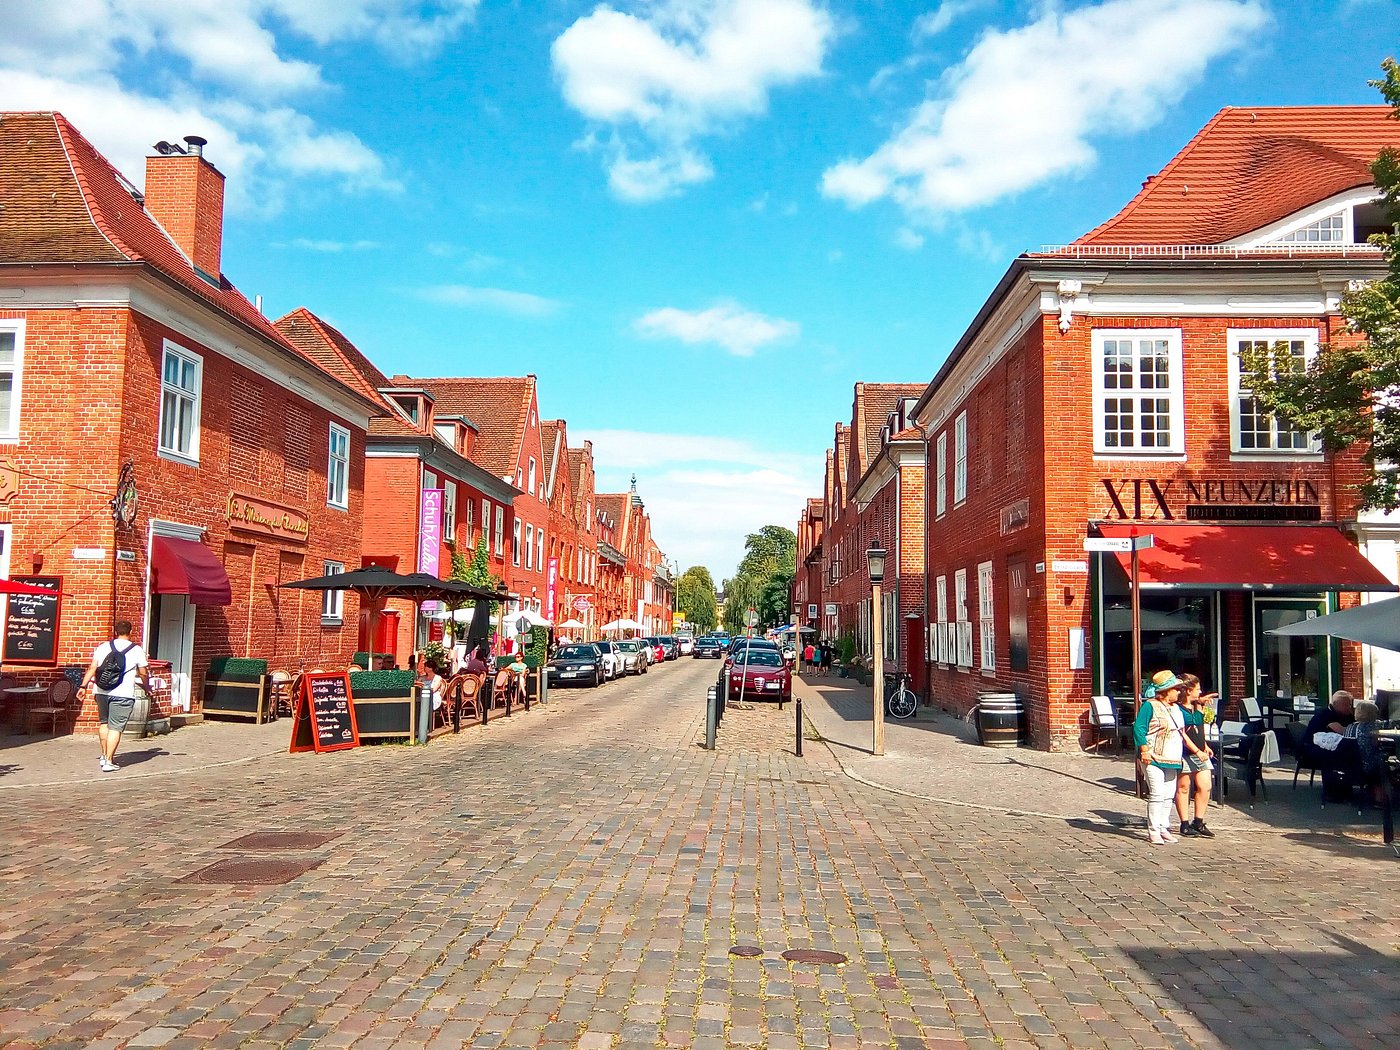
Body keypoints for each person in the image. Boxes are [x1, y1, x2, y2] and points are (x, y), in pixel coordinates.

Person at [79, 621, 151, 773]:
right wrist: (147, 687)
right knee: (116, 728)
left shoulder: (103, 647)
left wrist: (83, 686)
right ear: (130, 631)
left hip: (101, 691)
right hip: (122, 693)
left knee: (104, 724)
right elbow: (143, 673)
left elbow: (93, 668)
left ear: (115, 631)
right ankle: (109, 761)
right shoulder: (136, 650)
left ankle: (104, 756)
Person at [1133, 670, 1188, 845]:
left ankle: (1164, 826)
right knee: (1157, 793)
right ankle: (1153, 830)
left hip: (1172, 757)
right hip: (1153, 756)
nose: (1178, 692)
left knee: (1168, 794)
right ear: (1166, 691)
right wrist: (1144, 750)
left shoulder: (1176, 708)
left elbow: (1188, 724)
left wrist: (1200, 705)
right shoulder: (1150, 706)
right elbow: (1139, 728)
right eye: (1176, 689)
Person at [1174, 674, 1216, 838]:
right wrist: (1197, 750)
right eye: (1197, 689)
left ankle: (1198, 821)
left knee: (1205, 786)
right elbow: (1183, 734)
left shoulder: (1196, 706)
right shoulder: (1178, 709)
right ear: (1189, 690)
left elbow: (1199, 727)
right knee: (1184, 787)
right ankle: (1184, 823)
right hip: (1185, 753)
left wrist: (1204, 746)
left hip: (1200, 752)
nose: (1200, 691)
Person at [1305, 690, 1357, 799]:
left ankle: (1346, 787)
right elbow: (1343, 731)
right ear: (1336, 704)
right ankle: (1332, 792)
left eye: (1350, 704)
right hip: (1313, 748)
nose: (1349, 707)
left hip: (1335, 746)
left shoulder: (1346, 714)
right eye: (1346, 705)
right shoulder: (1326, 715)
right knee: (1334, 757)